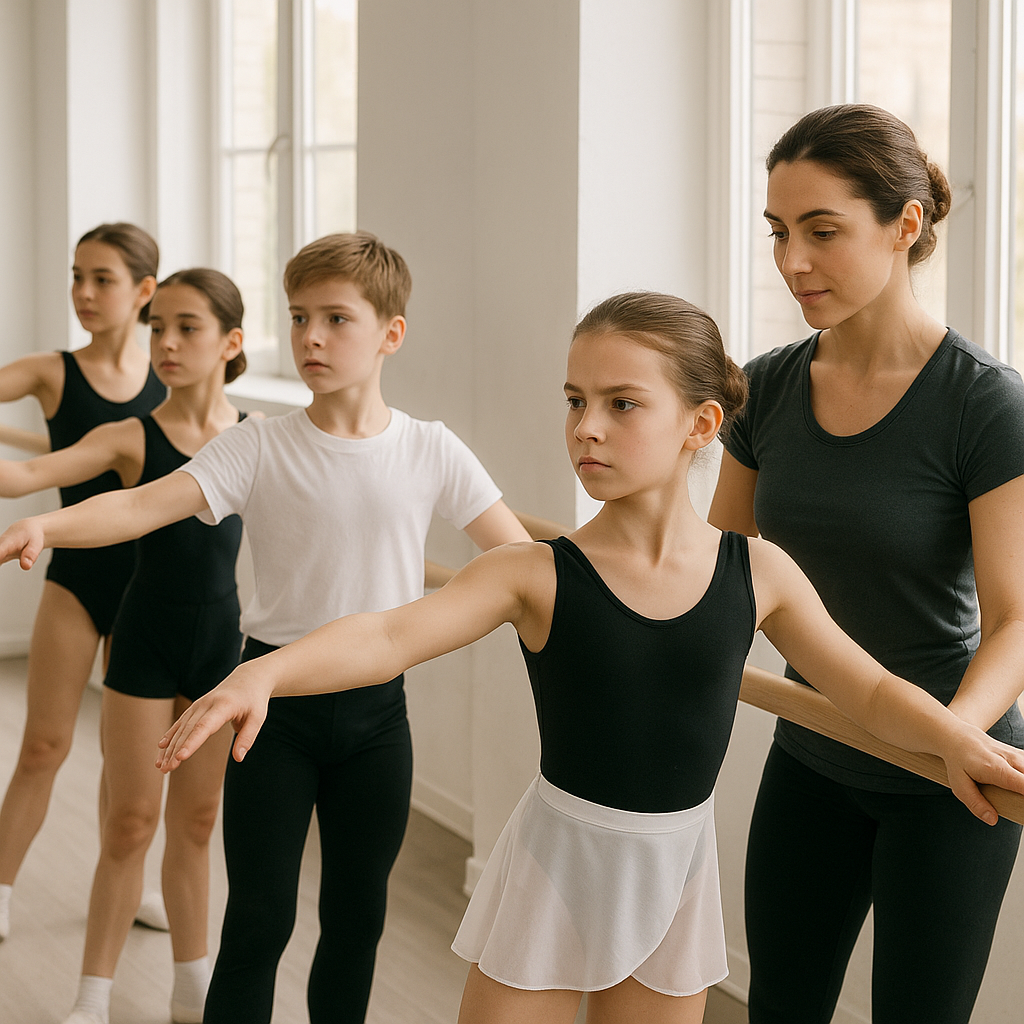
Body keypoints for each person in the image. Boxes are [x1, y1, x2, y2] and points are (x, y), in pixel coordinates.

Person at [146, 291, 1024, 1024]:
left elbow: (866, 687)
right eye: (575, 400)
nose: (587, 428)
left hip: (674, 876)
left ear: (702, 423)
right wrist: (262, 670)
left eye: (622, 403)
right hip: (555, 865)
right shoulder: (532, 574)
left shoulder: (759, 573)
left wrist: (961, 745)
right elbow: (386, 635)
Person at [0, 231, 530, 1024]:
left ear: (391, 333)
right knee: (258, 922)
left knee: (357, 925)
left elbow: (518, 560)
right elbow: (144, 503)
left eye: (336, 320)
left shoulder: (431, 450)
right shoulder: (257, 445)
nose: (311, 337)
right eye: (299, 317)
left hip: (379, 720)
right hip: (267, 713)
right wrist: (49, 529)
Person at [707, 104, 1024, 1024]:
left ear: (906, 225)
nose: (792, 261)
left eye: (822, 231)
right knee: (782, 1007)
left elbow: (1012, 620)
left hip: (957, 776)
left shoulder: (984, 404)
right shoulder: (762, 388)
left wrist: (951, 741)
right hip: (818, 744)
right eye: (778, 232)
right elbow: (728, 575)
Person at [0, 268, 250, 1024]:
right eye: (158, 327)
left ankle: (190, 982)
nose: (166, 344)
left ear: (231, 343)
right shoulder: (130, 434)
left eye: (187, 329)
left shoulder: (259, 443)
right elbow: (34, 476)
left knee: (198, 825)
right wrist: (38, 522)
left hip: (221, 654)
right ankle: (92, 996)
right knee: (131, 822)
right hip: (144, 644)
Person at [0, 223, 166, 943]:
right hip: (74, 582)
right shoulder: (52, 370)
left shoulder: (172, 375)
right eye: (77, 277)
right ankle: (1, 886)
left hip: (150, 590)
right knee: (44, 745)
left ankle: (124, 886)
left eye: (102, 278)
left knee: (130, 766)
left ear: (145, 291)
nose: (85, 294)